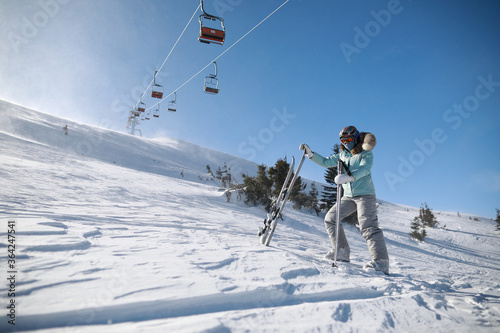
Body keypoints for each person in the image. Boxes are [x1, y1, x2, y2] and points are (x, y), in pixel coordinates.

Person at [300, 126, 390, 275]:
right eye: (343, 140)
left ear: (355, 139)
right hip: (348, 196)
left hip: (365, 195)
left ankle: (381, 262)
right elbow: (326, 161)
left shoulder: (365, 154)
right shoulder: (342, 155)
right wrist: (311, 154)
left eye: (349, 139)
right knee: (330, 219)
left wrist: (349, 177)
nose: (346, 142)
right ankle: (341, 251)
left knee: (368, 227)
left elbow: (365, 169)